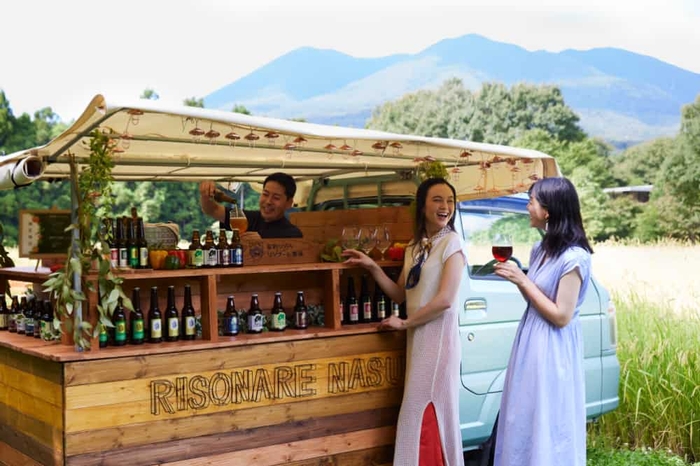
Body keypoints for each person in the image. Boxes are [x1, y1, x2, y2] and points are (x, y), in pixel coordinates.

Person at [343, 177, 466, 466]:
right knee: (417, 413)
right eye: (437, 199)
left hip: (439, 341)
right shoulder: (415, 246)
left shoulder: (452, 243)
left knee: (423, 412)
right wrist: (372, 266)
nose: (445, 206)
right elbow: (401, 293)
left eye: (450, 200)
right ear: (422, 206)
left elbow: (445, 300)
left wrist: (405, 323)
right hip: (418, 340)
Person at [492, 177, 593, 466]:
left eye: (531, 201)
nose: (527, 207)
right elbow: (535, 301)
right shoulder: (540, 249)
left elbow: (561, 316)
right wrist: (519, 282)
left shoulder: (575, 258)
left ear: (548, 211)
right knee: (523, 415)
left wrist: (523, 280)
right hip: (530, 340)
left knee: (549, 419)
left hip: (553, 348)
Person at [199, 172, 302, 239]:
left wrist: (261, 238)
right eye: (265, 194)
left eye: (276, 197)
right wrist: (206, 194)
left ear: (289, 203)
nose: (268, 201)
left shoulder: (293, 234)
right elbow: (213, 210)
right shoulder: (249, 219)